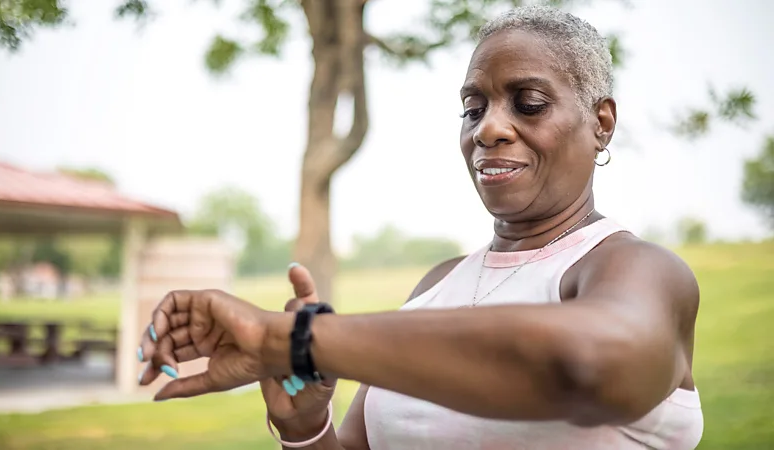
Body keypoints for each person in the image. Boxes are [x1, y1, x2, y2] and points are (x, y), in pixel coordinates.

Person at [136, 6, 703, 450]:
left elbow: (596, 369)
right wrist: (305, 426)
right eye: (472, 108)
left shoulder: (636, 269)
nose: (488, 129)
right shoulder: (437, 283)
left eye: (527, 103)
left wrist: (292, 341)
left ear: (601, 123)